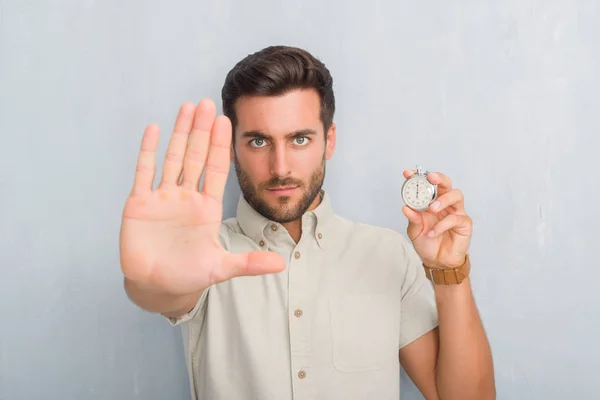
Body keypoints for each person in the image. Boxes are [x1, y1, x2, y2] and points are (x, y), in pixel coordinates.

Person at [120, 45, 495, 400]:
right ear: (233, 147)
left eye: (299, 139)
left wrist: (450, 272)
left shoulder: (388, 254)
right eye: (258, 142)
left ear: (329, 141)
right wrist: (151, 281)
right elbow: (163, 291)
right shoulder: (205, 253)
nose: (280, 167)